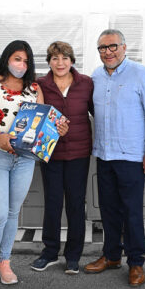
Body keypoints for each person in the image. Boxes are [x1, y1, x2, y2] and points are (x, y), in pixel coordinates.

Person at [0, 40, 68, 289]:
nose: (21, 65)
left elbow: (43, 121)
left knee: (13, 213)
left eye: (25, 61)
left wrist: (58, 129)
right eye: (17, 59)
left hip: (24, 158)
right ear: (6, 58)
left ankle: (5, 262)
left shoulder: (34, 88)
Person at [83, 29, 145, 287]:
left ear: (125, 47)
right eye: (103, 48)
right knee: (108, 210)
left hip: (131, 156)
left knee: (131, 212)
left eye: (113, 46)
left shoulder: (141, 75)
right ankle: (111, 256)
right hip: (105, 155)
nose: (108, 52)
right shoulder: (95, 76)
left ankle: (136, 263)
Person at [30, 41, 94, 275]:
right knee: (53, 202)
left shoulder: (86, 83)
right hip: (51, 152)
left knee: (76, 204)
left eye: (65, 58)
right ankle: (49, 253)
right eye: (55, 58)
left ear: (72, 61)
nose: (60, 63)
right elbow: (34, 115)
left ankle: (73, 256)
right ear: (49, 61)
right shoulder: (40, 84)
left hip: (79, 152)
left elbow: (97, 112)